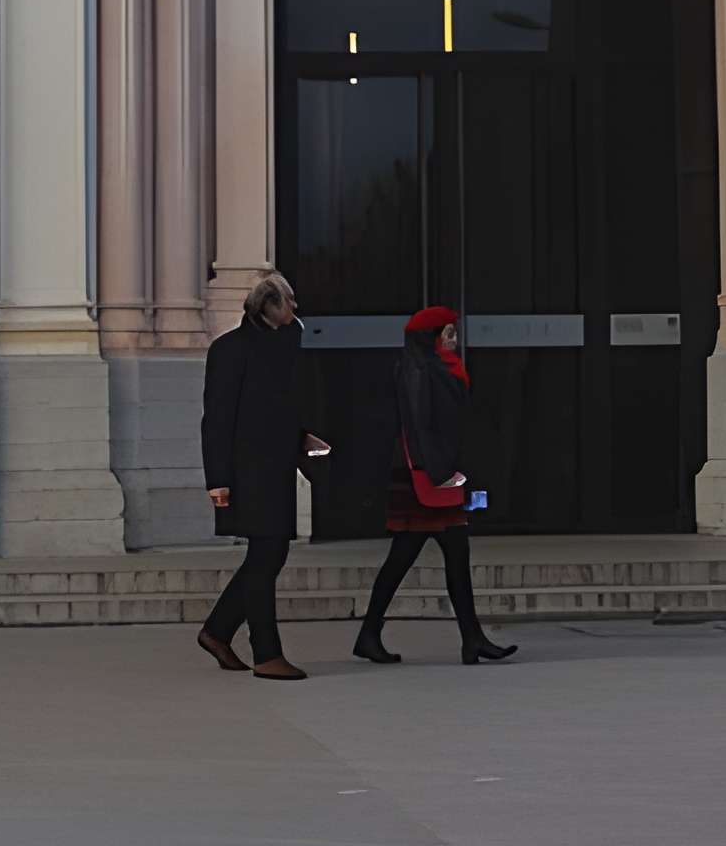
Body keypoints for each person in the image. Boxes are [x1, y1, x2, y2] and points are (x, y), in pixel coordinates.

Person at [354, 304, 516, 666]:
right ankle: (465, 639)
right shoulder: (419, 370)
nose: (455, 340)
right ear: (432, 336)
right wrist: (439, 472)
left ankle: (469, 638)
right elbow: (420, 425)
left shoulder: (437, 367)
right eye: (449, 333)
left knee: (435, 554)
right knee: (414, 556)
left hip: (436, 472)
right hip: (426, 474)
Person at [199, 269, 328, 681]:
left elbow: (282, 408)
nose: (295, 308)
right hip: (246, 470)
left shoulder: (286, 347)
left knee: (268, 554)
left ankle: (218, 631)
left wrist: (304, 437)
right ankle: (266, 653)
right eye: (288, 301)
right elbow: (217, 419)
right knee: (266, 554)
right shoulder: (231, 349)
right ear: (269, 307)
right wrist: (217, 479)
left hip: (274, 466)